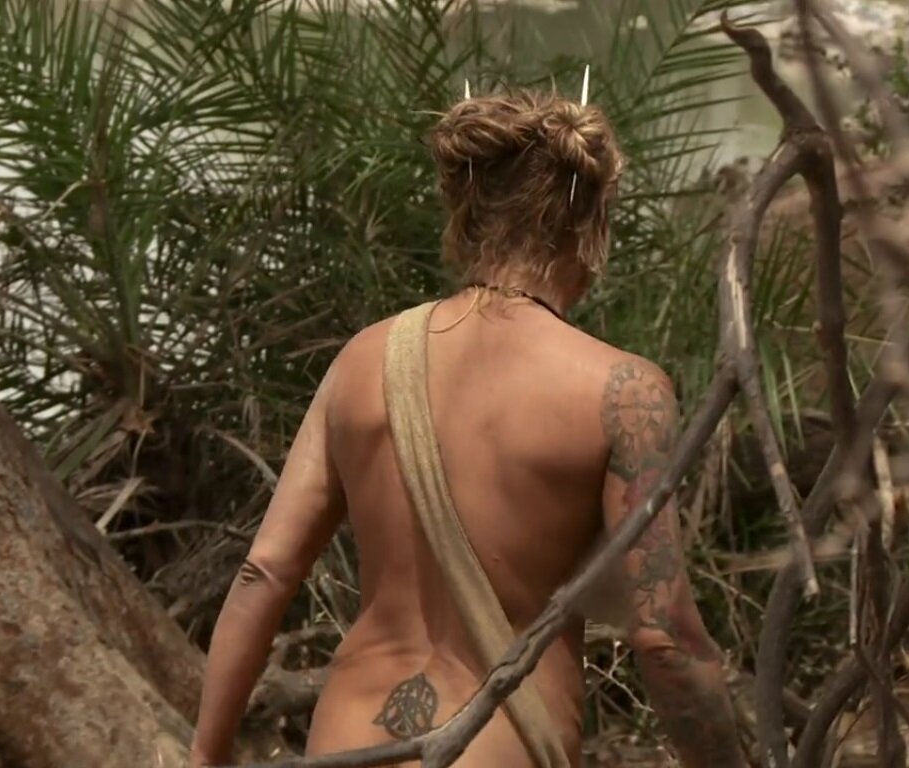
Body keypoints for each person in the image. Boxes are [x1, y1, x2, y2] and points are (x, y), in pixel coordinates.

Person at [189, 90, 741, 768]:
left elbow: (264, 571)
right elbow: (665, 641)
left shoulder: (363, 359)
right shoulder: (624, 391)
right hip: (499, 746)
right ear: (593, 225)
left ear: (463, 215)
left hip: (347, 744)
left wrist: (205, 754)